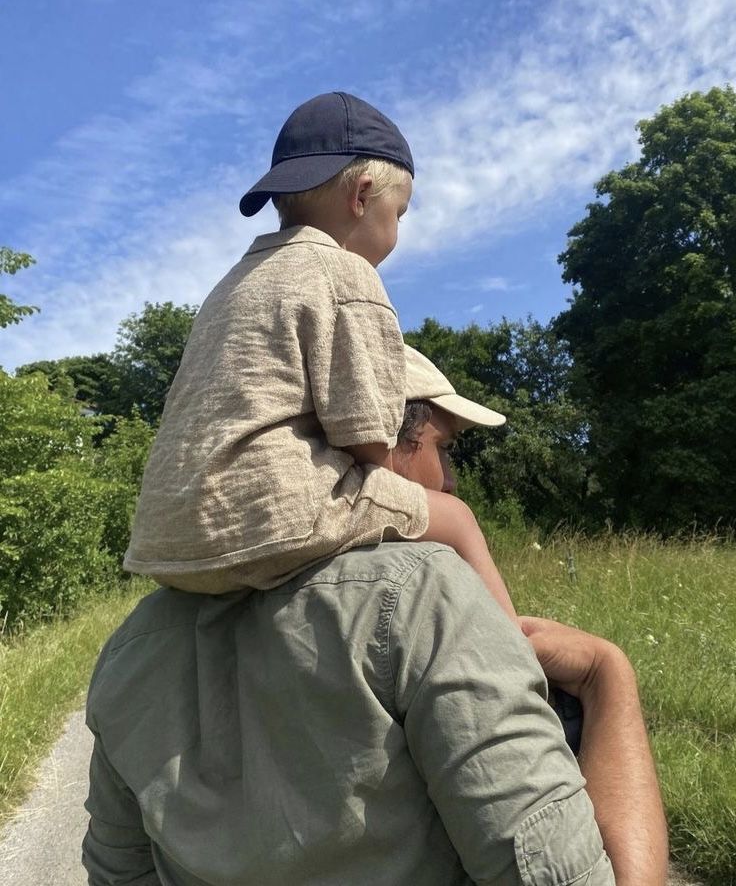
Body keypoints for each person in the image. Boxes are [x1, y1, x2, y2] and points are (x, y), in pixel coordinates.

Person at [83, 347, 668, 886]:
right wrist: (606, 675)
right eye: (445, 447)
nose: (450, 477)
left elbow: (120, 872)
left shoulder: (133, 645)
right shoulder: (422, 596)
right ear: (378, 443)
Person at [122, 91, 516, 620]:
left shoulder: (230, 285)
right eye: (398, 213)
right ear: (363, 194)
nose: (396, 232)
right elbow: (370, 440)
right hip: (273, 516)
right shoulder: (348, 273)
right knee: (458, 518)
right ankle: (511, 641)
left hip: (168, 540)